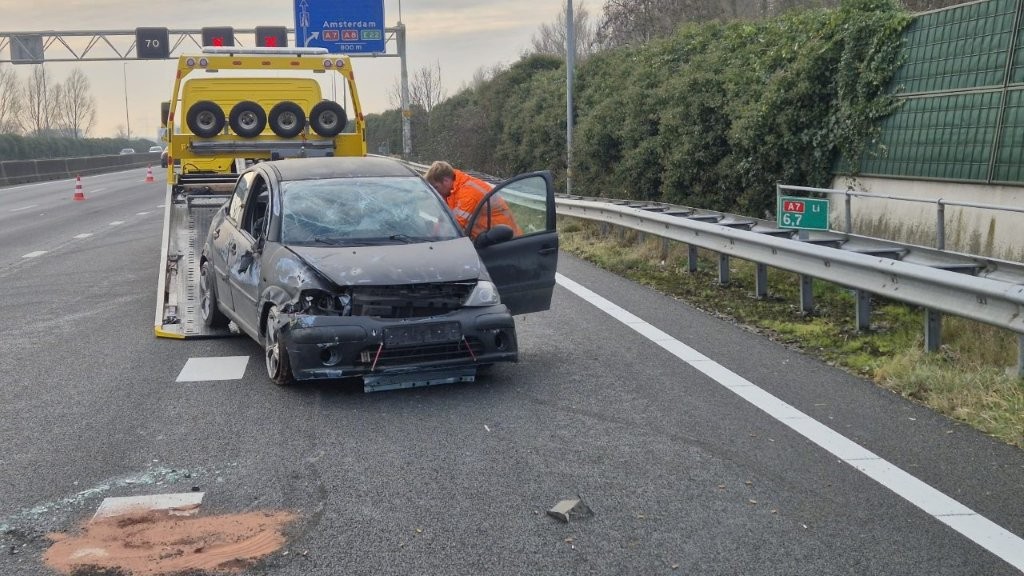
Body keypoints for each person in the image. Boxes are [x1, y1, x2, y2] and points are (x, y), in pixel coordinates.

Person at [424, 161, 522, 239]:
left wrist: (431, 239)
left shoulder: (467, 194)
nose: (436, 192)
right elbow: (446, 218)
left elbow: (455, 228)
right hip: (488, 238)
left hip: (505, 240)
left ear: (445, 181)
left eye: (436, 188)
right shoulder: (452, 191)